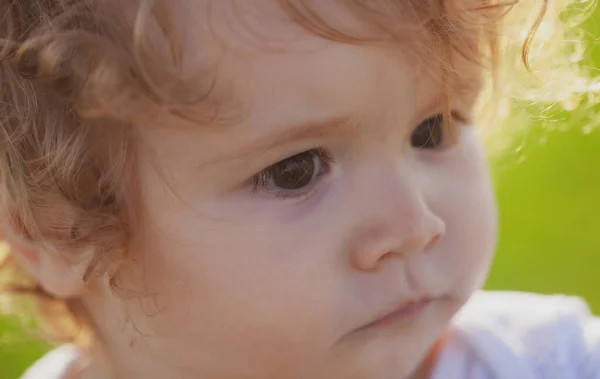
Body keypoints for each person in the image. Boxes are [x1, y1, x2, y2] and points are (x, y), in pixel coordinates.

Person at [0, 0, 597, 378]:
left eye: (431, 129)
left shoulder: (554, 362)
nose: (415, 226)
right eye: (296, 171)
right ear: (58, 231)